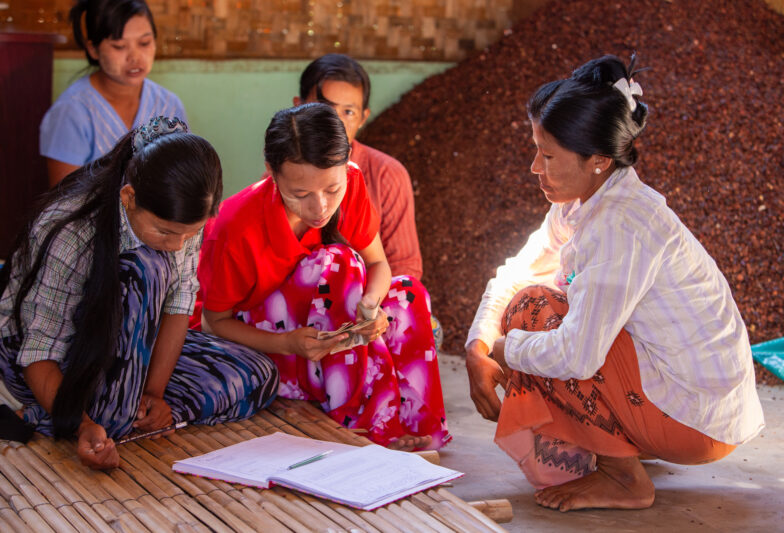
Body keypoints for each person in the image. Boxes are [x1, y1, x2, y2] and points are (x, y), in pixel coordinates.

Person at [465, 55, 764, 511]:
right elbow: (517, 268)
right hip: (691, 406)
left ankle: (623, 479)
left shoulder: (621, 224)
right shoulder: (584, 201)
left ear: (599, 160)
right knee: (530, 293)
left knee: (533, 309)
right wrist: (477, 344)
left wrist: (503, 349)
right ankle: (630, 439)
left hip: (698, 423)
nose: (534, 167)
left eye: (547, 155)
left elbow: (578, 355)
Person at [0, 117, 279, 470]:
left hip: (128, 347)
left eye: (190, 233)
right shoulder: (70, 231)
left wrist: (155, 394)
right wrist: (84, 425)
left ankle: (129, 410)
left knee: (258, 374)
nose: (178, 245)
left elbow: (179, 304)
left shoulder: (183, 217)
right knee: (148, 268)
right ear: (128, 197)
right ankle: (89, 414)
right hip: (44, 360)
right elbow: (38, 350)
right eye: (165, 231)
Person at [195, 103, 451, 451]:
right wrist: (289, 344)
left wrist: (371, 307)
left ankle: (414, 424)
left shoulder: (354, 182)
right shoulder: (235, 226)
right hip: (261, 348)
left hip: (321, 337)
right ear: (271, 170)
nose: (319, 208)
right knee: (338, 263)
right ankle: (364, 426)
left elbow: (379, 265)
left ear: (346, 165)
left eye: (332, 190)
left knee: (408, 292)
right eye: (299, 195)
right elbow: (213, 323)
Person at [294, 54, 423, 280]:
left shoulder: (387, 175)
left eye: (348, 112)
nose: (334, 121)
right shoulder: (284, 172)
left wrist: (373, 309)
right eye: (324, 108)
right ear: (298, 107)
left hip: (370, 306)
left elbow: (405, 269)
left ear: (363, 118)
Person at [40, 0, 187, 186]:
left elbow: (179, 181)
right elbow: (65, 204)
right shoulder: (71, 113)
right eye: (119, 46)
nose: (134, 57)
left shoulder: (169, 105)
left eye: (144, 43)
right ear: (93, 49)